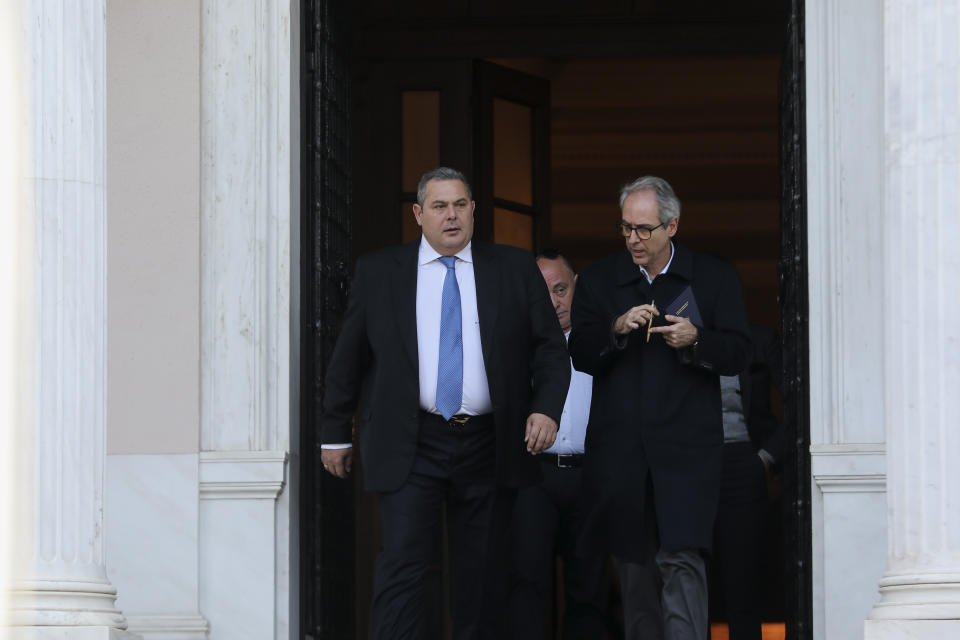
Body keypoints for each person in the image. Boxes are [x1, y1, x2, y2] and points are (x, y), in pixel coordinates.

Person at [319, 167, 570, 640]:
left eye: (459, 205)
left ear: (474, 209)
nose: (451, 216)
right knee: (404, 569)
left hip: (488, 441)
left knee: (481, 577)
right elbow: (348, 357)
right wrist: (334, 432)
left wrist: (546, 408)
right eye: (439, 206)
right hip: (411, 439)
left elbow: (550, 349)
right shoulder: (379, 271)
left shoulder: (514, 268)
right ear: (418, 214)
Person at [568, 175, 751, 640]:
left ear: (672, 226)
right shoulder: (599, 279)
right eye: (626, 228)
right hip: (622, 453)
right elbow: (580, 352)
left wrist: (697, 339)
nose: (633, 239)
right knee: (633, 567)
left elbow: (738, 352)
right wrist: (615, 327)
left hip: (687, 452)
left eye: (644, 229)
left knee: (683, 558)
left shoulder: (712, 276)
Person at [509, 250, 606, 639]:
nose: (554, 302)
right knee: (527, 584)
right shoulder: (515, 348)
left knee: (590, 588)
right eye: (544, 292)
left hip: (591, 476)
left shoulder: (601, 340)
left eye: (561, 289)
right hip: (534, 476)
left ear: (576, 285)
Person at [710, 324, 784, 640]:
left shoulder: (758, 339)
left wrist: (766, 458)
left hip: (744, 461)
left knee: (743, 581)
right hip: (689, 464)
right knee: (691, 578)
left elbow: (801, 398)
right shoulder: (674, 334)